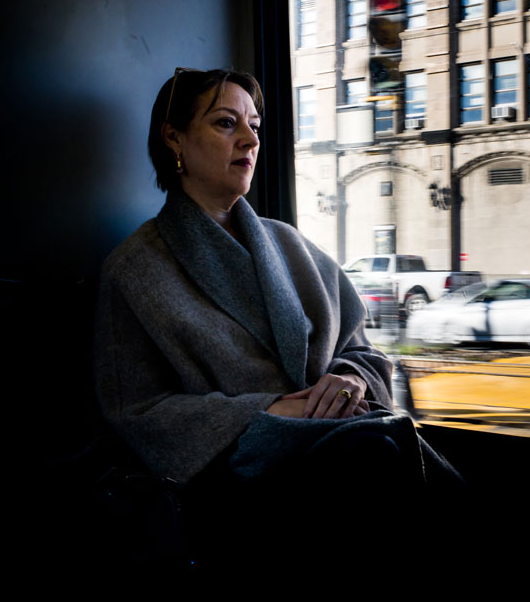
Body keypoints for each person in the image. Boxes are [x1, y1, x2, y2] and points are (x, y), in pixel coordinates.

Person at [93, 68, 460, 558]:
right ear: (173, 137)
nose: (249, 139)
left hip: (335, 445)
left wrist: (350, 378)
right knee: (375, 455)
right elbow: (137, 411)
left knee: (381, 450)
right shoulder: (135, 269)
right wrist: (263, 412)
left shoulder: (287, 243)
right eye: (226, 123)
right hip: (234, 477)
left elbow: (361, 350)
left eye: (256, 126)